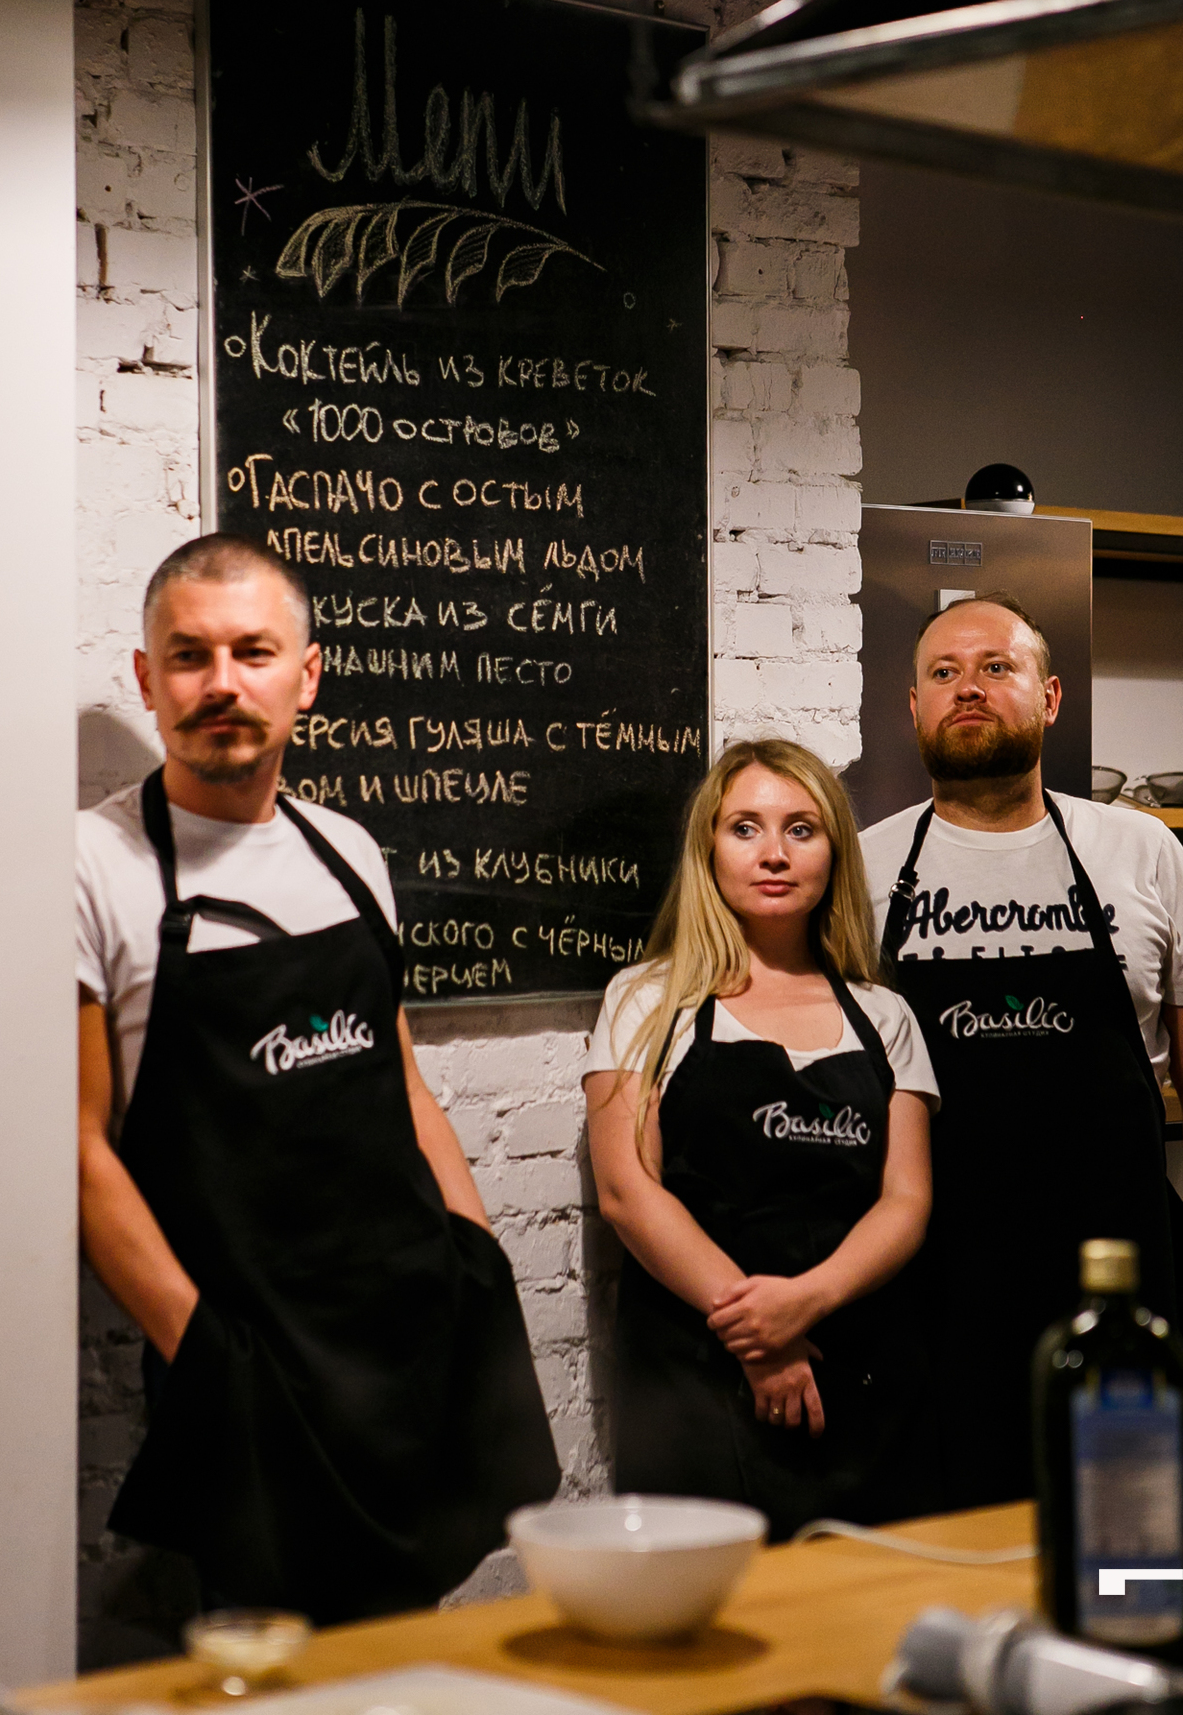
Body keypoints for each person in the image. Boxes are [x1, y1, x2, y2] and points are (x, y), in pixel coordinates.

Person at [77, 534, 558, 1624]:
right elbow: (80, 1149)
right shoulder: (93, 868)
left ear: (307, 676)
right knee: (267, 1664)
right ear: (148, 678)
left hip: (408, 1337)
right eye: (190, 655)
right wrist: (206, 1357)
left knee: (404, 1651)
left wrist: (475, 1265)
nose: (222, 683)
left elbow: (402, 1081)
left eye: (253, 652)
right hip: (249, 1366)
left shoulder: (349, 849)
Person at [860, 592, 1183, 1512]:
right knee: (952, 1538)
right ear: (914, 708)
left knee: (1130, 1529)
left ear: (1049, 697)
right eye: (945, 673)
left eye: (996, 667)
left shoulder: (1142, 849)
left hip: (1121, 1286)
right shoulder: (863, 867)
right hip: (935, 1293)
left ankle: (1132, 1612)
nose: (969, 688)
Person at [583, 738, 941, 1541]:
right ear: (709, 848)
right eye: (745, 827)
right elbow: (628, 1194)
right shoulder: (647, 1001)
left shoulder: (884, 1016)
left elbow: (906, 1201)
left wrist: (806, 1300)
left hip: (861, 1370)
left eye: (800, 829)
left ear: (834, 853)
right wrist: (760, 1336)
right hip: (696, 1374)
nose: (773, 853)